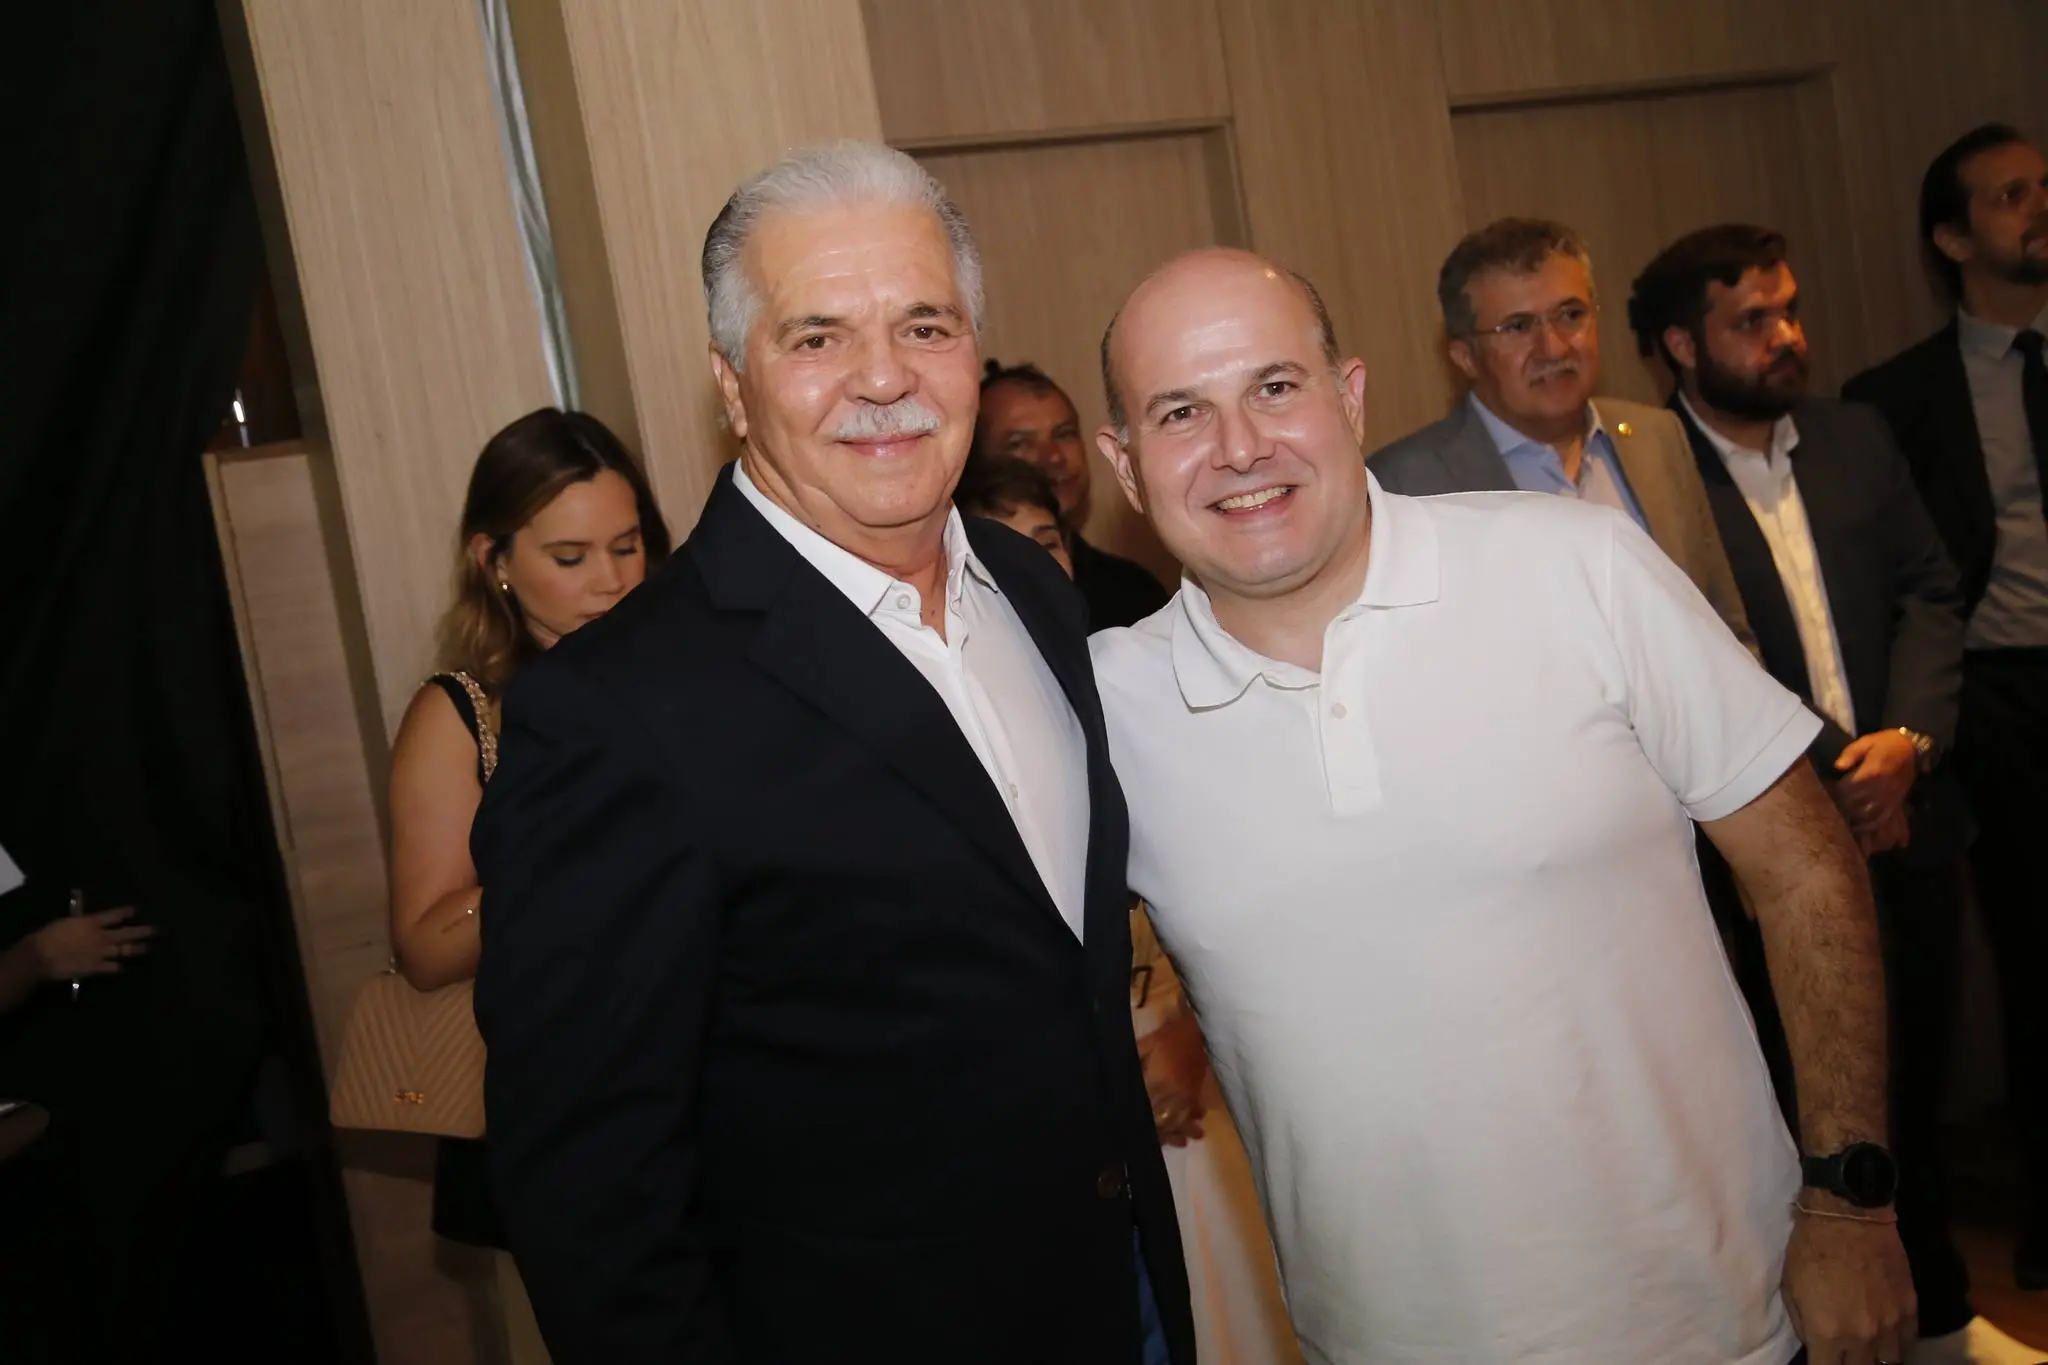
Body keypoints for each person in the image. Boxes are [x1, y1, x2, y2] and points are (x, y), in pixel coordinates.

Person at [1089, 246, 1916, 1365]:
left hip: (1719, 1323)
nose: (1240, 446)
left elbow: (1806, 867)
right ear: (1125, 464)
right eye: (1180, 412)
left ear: (1349, 397)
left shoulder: (1579, 569)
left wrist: (1850, 1200)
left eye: (1275, 386)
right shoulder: (1106, 709)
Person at [472, 141, 1194, 1365]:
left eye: (925, 326)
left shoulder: (1030, 588)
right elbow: (590, 1194)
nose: (883, 378)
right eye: (817, 336)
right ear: (732, 384)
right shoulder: (613, 711)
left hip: (1121, 1299)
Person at [1634, 225, 2038, 1365]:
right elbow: (1707, 648)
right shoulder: (1656, 474)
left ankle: (1940, 1312)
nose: (1785, 336)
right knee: (1795, 1097)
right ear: (1681, 345)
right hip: (1773, 833)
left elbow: (1929, 591)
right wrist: (1833, 762)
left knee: (1914, 1075)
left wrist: (1905, 743)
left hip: (1908, 812)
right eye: (1750, 321)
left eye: (1789, 309)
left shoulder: (1855, 434)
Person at [954, 457, 1304, 1365]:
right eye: (1000, 549)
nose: (1034, 567)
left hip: (1202, 1063)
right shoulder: (958, 722)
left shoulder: (1133, 681)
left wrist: (1191, 1041)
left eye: (1047, 541)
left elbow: (1258, 887)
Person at [386, 406, 669, 1365]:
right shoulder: (464, 713)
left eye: (628, 546)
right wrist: (553, 861)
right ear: (494, 560)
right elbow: (424, 946)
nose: (611, 581)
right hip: (572, 1118)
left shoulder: (680, 676)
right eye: (571, 556)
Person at [1845, 123, 2048, 1292]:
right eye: (2009, 195)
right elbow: (1913, 582)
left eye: (2042, 186)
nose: (2038, 205)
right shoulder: (1898, 400)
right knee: (2029, 949)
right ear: (1952, 238)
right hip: (2003, 694)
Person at [1370, 217, 1756, 652]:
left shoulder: (1658, 437)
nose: (1553, 348)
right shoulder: (1405, 490)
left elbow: (1726, 630)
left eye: (1571, 315)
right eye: (1518, 327)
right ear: (1465, 357)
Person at [977, 359, 1171, 628]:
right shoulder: (951, 604)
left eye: (1064, 434)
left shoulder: (1135, 595)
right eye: (1020, 443)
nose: (1054, 456)